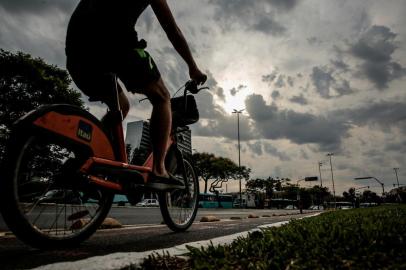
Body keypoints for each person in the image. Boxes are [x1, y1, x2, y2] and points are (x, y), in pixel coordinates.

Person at [65, 0, 206, 189]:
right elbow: (172, 29)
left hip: (77, 52)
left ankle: (86, 157)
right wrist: (193, 68)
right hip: (115, 42)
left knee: (122, 106)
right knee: (162, 97)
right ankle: (158, 170)